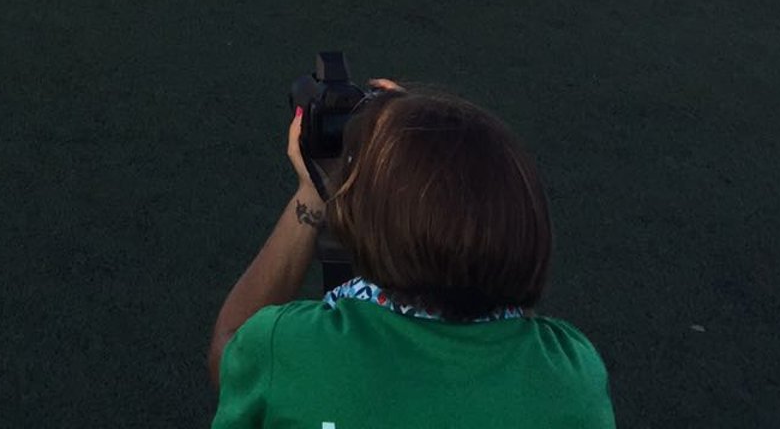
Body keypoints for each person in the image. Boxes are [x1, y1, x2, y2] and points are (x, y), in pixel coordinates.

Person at [207, 84, 615, 428]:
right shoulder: (571, 374)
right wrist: (429, 139)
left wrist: (314, 195)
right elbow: (510, 320)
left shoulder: (289, 350)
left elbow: (229, 349)